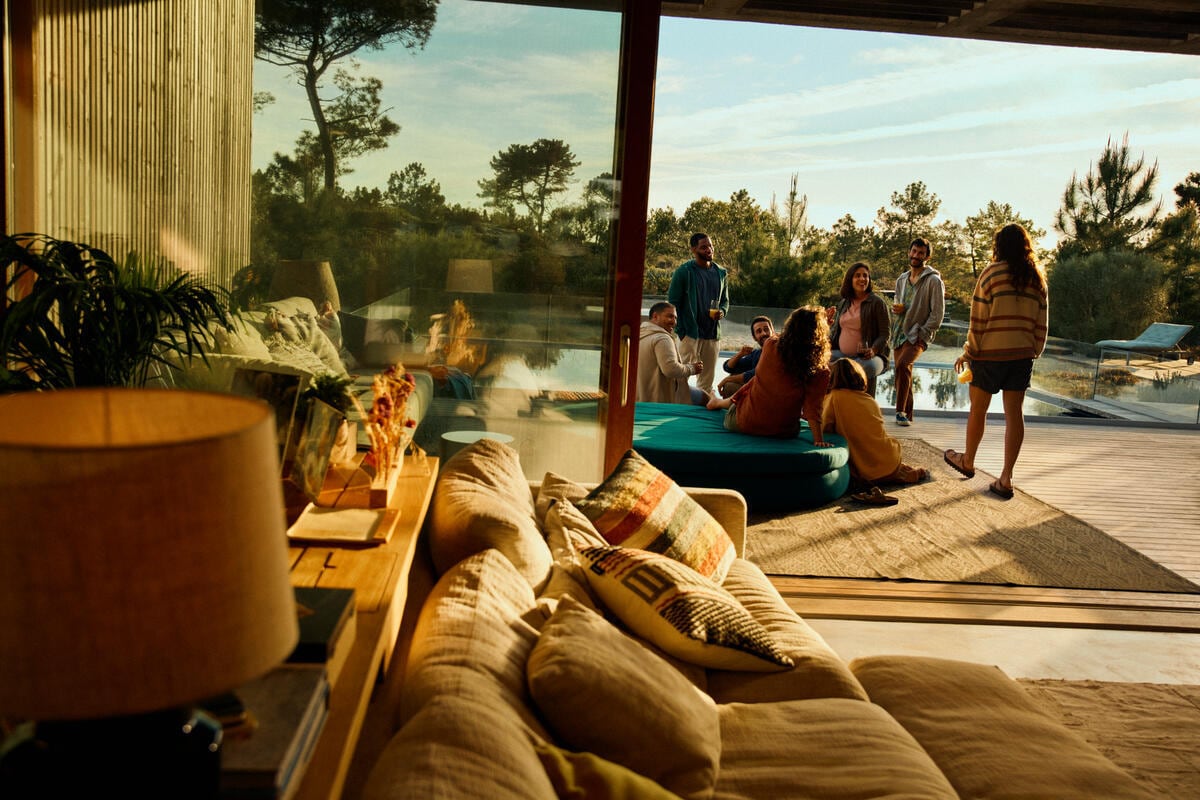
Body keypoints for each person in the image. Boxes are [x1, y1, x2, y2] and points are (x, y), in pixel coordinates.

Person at [944, 223, 1048, 499]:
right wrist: (1032, 351)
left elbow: (978, 320)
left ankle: (968, 461)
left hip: (989, 355)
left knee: (978, 410)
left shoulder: (991, 274)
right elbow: (1042, 324)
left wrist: (970, 352)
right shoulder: (1037, 278)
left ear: (998, 245)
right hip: (1021, 356)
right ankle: (1006, 478)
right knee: (1015, 415)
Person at [705, 306, 832, 447]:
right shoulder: (821, 369)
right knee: (756, 382)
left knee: (753, 386)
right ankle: (718, 402)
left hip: (746, 422)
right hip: (785, 431)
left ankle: (717, 402)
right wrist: (818, 440)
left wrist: (730, 378)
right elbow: (812, 408)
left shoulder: (771, 346)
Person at [823, 358, 927, 485]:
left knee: (864, 471)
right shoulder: (869, 399)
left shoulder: (833, 398)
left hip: (865, 467)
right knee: (887, 459)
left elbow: (824, 427)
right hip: (888, 455)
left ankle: (897, 475)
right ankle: (899, 471)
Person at [891, 237, 945, 427]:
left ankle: (899, 412)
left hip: (918, 334)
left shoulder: (934, 281)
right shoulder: (902, 279)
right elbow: (899, 304)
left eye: (921, 253)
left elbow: (937, 314)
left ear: (927, 256)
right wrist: (896, 310)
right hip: (899, 332)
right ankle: (907, 417)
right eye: (914, 251)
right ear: (909, 252)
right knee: (902, 373)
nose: (916, 255)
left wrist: (923, 333)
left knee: (903, 365)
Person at [668, 232, 728, 396]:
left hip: (712, 334)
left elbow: (725, 301)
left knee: (706, 382)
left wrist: (722, 312)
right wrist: (681, 331)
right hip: (690, 334)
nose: (709, 249)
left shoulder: (721, 273)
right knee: (681, 378)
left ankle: (703, 412)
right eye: (704, 247)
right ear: (693, 250)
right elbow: (673, 302)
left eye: (710, 245)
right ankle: (677, 409)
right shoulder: (684, 272)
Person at [826, 262, 891, 398]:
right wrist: (826, 324)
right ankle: (831, 405)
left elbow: (885, 334)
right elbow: (836, 332)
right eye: (858, 276)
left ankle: (857, 404)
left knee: (867, 367)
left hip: (870, 357)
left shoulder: (877, 303)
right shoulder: (844, 302)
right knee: (822, 361)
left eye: (865, 276)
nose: (862, 279)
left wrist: (873, 350)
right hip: (842, 355)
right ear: (850, 279)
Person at [637, 301, 705, 405]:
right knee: (706, 398)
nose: (674, 321)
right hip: (659, 398)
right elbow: (670, 369)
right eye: (670, 316)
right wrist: (692, 368)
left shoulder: (640, 334)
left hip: (641, 397)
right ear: (655, 316)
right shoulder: (662, 338)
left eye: (675, 318)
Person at [716, 315, 773, 398]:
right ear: (754, 338)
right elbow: (728, 367)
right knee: (733, 374)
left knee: (729, 385)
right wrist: (740, 354)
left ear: (773, 331)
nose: (764, 333)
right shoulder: (757, 353)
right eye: (759, 331)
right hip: (759, 390)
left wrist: (727, 380)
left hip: (770, 394)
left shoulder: (777, 351)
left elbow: (758, 373)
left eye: (766, 329)